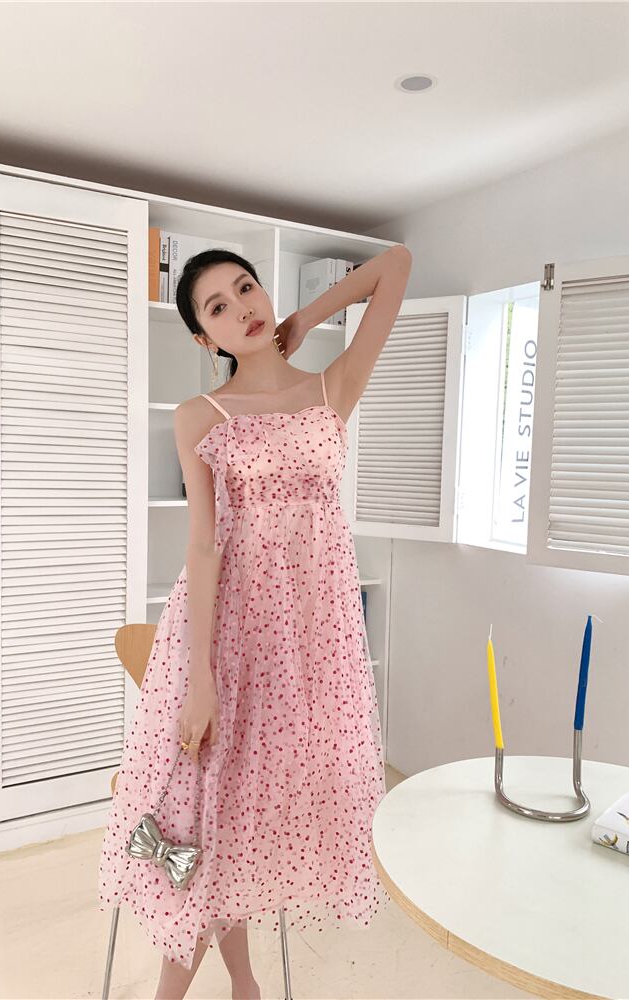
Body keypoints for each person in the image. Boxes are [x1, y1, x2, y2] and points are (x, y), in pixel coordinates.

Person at [98, 243, 413, 999]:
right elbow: (203, 546)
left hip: (312, 641)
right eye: (218, 307)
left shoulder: (331, 388)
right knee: (208, 817)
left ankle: (245, 983)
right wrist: (200, 681)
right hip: (228, 637)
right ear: (202, 337)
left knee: (244, 816)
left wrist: (305, 318)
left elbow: (396, 265)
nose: (241, 307)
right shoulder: (198, 416)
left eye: (246, 288)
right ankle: (205, 987)